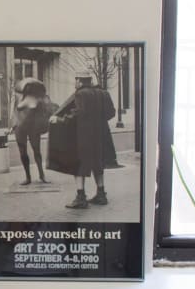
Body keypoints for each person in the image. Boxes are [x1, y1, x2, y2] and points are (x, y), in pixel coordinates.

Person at [52, 75, 117, 209]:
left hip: (83, 136)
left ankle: (81, 198)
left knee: (78, 164)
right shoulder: (103, 93)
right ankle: (101, 195)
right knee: (98, 164)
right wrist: (98, 119)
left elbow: (78, 114)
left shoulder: (80, 94)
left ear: (80, 81)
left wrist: (59, 120)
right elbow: (111, 113)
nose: (75, 83)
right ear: (91, 81)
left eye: (75, 80)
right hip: (100, 135)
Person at [9, 78, 55, 186]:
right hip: (20, 128)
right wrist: (12, 126)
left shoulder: (40, 99)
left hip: (34, 128)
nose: (29, 89)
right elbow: (14, 113)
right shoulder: (19, 98)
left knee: (37, 151)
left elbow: (47, 111)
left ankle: (42, 175)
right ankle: (28, 177)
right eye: (27, 87)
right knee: (23, 153)